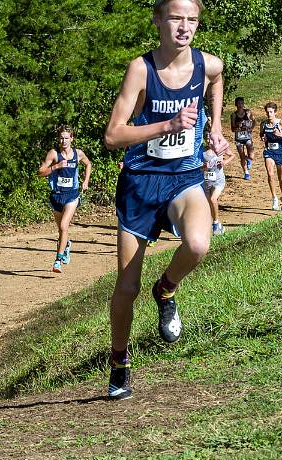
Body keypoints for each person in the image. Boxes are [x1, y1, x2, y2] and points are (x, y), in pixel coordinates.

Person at [103, 0, 229, 400]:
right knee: (126, 288)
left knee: (198, 243)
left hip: (183, 178)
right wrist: (167, 125)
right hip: (140, 182)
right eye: (176, 18)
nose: (184, 26)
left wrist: (216, 127)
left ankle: (168, 289)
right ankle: (120, 362)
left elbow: (219, 76)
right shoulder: (141, 70)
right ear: (158, 20)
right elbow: (112, 136)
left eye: (192, 20)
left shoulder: (206, 64)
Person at [38, 125, 92, 273]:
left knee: (63, 226)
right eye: (61, 138)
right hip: (56, 196)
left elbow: (88, 164)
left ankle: (58, 260)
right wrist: (56, 167)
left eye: (67, 138)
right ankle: (66, 245)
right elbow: (40, 172)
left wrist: (85, 181)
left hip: (72, 195)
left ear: (72, 139)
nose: (64, 141)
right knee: (62, 231)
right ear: (58, 139)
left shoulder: (78, 153)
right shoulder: (54, 154)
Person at [260, 102, 282, 211]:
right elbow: (261, 134)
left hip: (280, 152)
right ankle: (274, 198)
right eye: (267, 112)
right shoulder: (264, 124)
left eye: (271, 112)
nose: (269, 114)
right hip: (269, 151)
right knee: (270, 174)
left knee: (281, 178)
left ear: (275, 112)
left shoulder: (280, 123)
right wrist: (263, 138)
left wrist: (280, 134)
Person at [202, 146, 234, 234]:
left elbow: (232, 155)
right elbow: (198, 168)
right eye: (207, 137)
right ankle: (217, 224)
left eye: (210, 137)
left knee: (213, 199)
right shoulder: (201, 151)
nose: (209, 139)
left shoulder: (220, 148)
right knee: (210, 205)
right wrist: (204, 167)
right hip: (206, 182)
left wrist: (225, 162)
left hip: (219, 181)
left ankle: (215, 224)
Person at [230, 97, 255, 180]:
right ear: (236, 104)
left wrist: (251, 128)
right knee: (241, 155)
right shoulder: (233, 115)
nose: (240, 105)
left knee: (251, 155)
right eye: (239, 103)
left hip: (247, 137)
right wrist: (238, 126)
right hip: (239, 138)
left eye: (242, 103)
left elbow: (254, 121)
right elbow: (232, 129)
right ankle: (246, 173)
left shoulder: (248, 112)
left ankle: (249, 159)